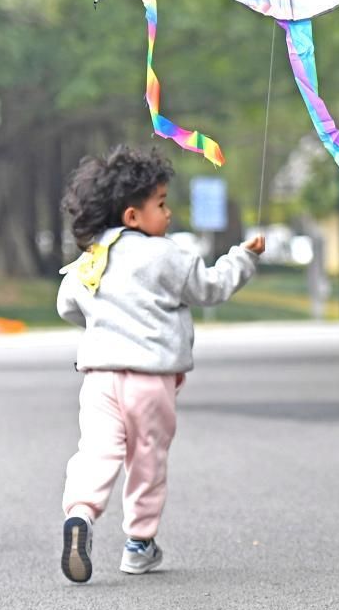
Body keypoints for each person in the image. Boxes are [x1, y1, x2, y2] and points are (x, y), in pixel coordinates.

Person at [55, 145, 265, 583]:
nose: (168, 214)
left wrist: (102, 325)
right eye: (162, 204)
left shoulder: (90, 258)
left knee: (96, 452)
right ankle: (139, 544)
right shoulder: (168, 256)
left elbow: (67, 307)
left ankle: (80, 515)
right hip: (151, 383)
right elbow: (211, 288)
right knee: (146, 458)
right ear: (133, 216)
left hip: (98, 380)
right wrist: (244, 256)